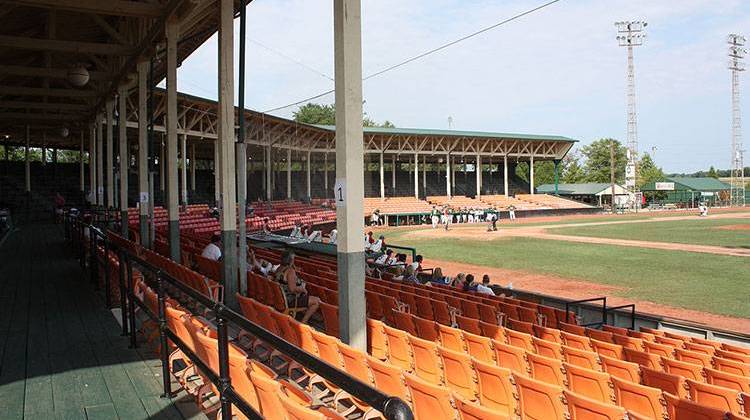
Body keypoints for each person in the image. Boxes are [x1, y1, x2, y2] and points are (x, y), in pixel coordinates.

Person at [275, 251, 320, 324]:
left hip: (282, 299)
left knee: (306, 297)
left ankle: (311, 314)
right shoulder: (290, 271)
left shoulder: (279, 268)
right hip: (291, 300)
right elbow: (292, 289)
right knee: (317, 301)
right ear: (291, 260)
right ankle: (304, 322)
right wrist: (302, 289)